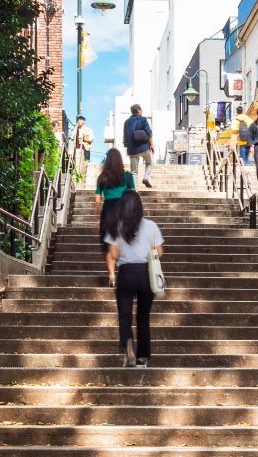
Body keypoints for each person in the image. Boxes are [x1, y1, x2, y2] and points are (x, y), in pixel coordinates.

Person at [104, 190, 164, 368]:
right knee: (143, 318)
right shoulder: (151, 226)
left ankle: (129, 347)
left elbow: (113, 254)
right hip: (146, 274)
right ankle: (142, 358)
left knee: (124, 316)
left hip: (126, 274)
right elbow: (159, 252)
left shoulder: (116, 226)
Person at [94, 148, 135, 258]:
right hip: (124, 210)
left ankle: (111, 273)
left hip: (108, 210)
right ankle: (123, 266)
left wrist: (97, 218)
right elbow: (133, 196)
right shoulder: (128, 176)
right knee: (124, 239)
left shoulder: (102, 178)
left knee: (108, 242)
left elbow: (97, 200)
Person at [123, 104, 154, 188]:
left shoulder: (126, 122)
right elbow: (149, 132)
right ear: (139, 110)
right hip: (143, 147)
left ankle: (135, 191)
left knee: (134, 172)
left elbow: (125, 136)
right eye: (141, 109)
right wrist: (151, 144)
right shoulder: (143, 119)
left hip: (132, 149)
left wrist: (127, 147)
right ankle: (145, 178)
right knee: (149, 163)